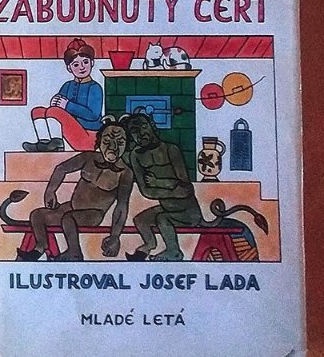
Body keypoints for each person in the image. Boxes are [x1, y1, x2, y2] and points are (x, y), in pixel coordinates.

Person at [18, 122, 134, 261]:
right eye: (107, 141)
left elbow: (121, 206)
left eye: (119, 143)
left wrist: (115, 236)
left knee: (69, 218)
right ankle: (40, 247)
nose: (112, 147)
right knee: (37, 215)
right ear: (99, 141)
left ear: (126, 145)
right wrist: (50, 191)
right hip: (72, 206)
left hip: (94, 214)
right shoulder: (89, 158)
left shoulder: (126, 173)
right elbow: (61, 168)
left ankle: (75, 253)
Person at [124, 112, 203, 262]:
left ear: (152, 126)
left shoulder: (171, 149)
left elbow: (186, 189)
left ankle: (174, 251)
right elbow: (147, 192)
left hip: (188, 213)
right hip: (167, 208)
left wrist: (158, 183)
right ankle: (149, 244)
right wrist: (173, 188)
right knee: (140, 220)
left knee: (162, 219)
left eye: (144, 127)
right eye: (134, 131)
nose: (140, 133)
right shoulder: (136, 155)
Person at [23, 39, 104, 152]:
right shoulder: (67, 85)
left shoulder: (94, 87)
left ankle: (57, 144)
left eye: (85, 62)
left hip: (90, 135)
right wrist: (55, 102)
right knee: (38, 111)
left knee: (54, 112)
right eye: (76, 64)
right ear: (69, 68)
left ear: (92, 63)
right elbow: (58, 105)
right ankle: (44, 143)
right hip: (71, 131)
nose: (82, 67)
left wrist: (67, 105)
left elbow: (93, 115)